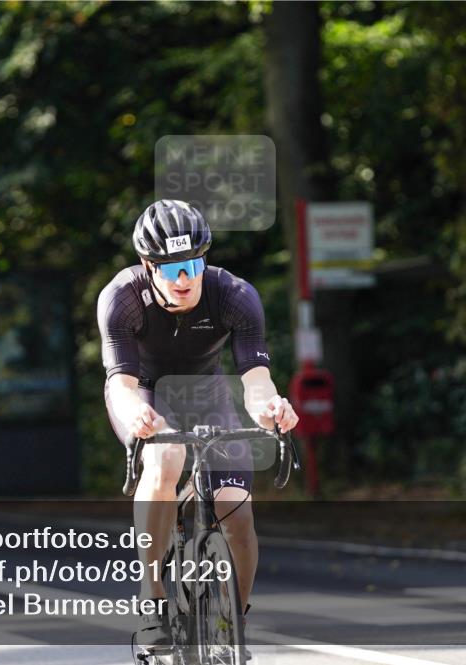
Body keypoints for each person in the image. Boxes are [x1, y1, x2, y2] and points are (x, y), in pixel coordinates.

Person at [97, 200, 299, 650]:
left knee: (237, 513)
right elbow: (122, 383)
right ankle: (152, 600)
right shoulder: (121, 298)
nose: (185, 279)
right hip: (142, 393)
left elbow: (257, 379)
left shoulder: (234, 294)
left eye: (193, 264)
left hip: (206, 394)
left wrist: (270, 408)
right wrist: (136, 414)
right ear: (148, 266)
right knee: (165, 456)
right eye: (171, 270)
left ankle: (234, 625)